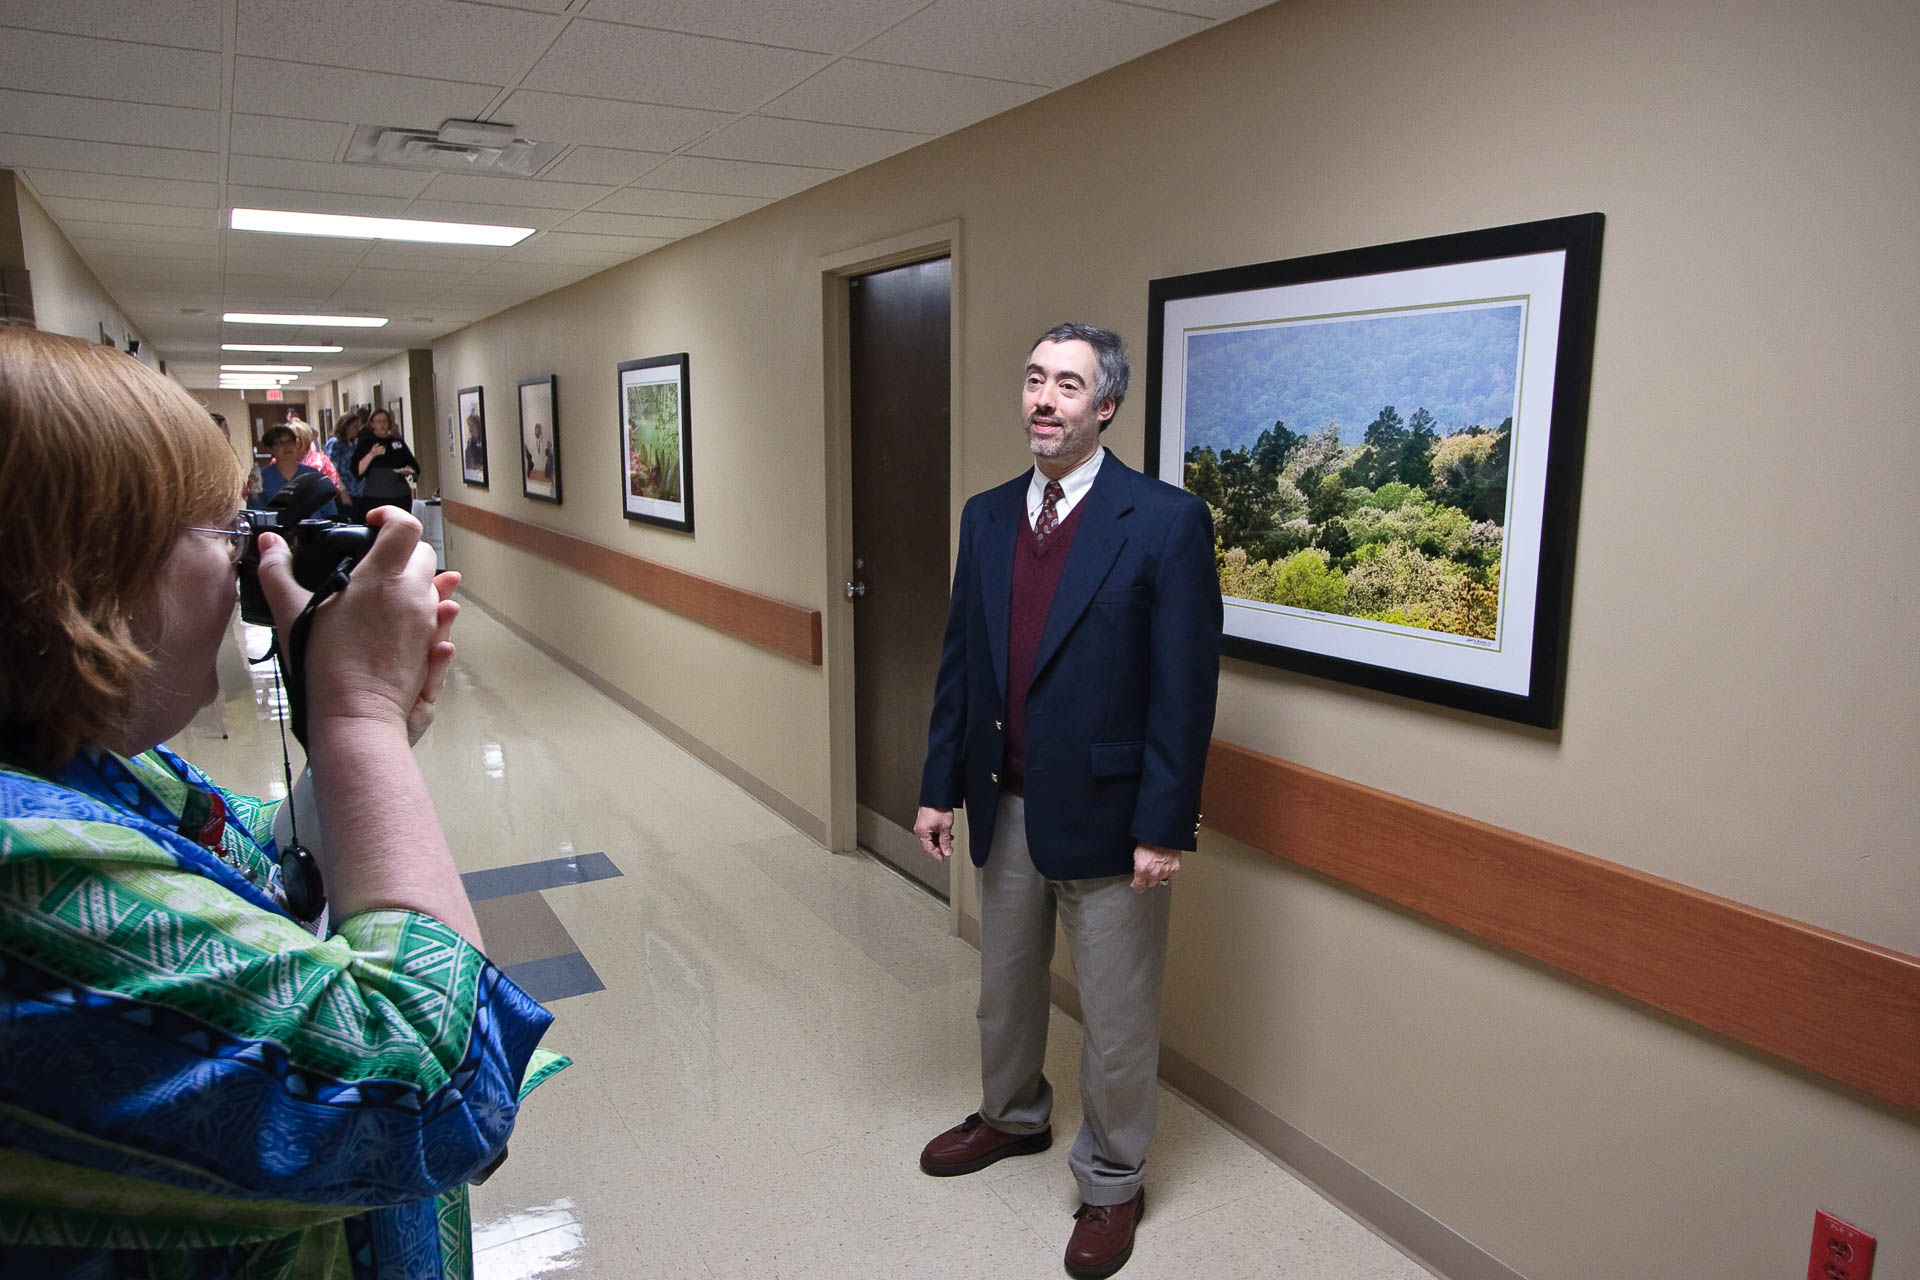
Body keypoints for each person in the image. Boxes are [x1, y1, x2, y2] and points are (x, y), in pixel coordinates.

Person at [0, 326, 563, 1277]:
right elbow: (433, 1087)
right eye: (223, 533)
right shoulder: (24, 868)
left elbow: (266, 878)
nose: (242, 566)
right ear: (87, 569)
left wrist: (356, 733)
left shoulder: (86, 765)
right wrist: (357, 720)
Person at [913, 323, 1222, 1280]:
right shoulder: (989, 515)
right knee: (1004, 993)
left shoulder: (1163, 521)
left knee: (1118, 1019)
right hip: (1003, 805)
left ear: (1106, 409)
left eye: (1068, 386)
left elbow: (1185, 687)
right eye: (1035, 379)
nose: (1043, 400)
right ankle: (1011, 1118)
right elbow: (962, 668)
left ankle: (1113, 1182)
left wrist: (1164, 826)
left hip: (1113, 821)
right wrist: (936, 788)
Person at [254, 422, 336, 518]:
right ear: (270, 449)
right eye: (279, 443)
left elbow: (330, 510)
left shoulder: (312, 475)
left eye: (289, 441)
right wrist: (254, 496)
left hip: (314, 530)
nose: (286, 446)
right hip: (279, 531)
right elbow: (256, 514)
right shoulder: (262, 477)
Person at [352, 407, 419, 516]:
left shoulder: (398, 443)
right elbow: (357, 471)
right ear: (372, 424)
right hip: (374, 498)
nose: (382, 425)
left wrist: (409, 471)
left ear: (389, 423)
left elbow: (414, 467)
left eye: (385, 421)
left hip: (399, 496)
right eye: (378, 422)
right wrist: (371, 454)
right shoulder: (365, 443)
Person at [327, 409, 367, 520]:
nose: (357, 430)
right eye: (354, 427)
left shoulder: (353, 444)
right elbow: (332, 469)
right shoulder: (336, 443)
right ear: (345, 426)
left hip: (357, 491)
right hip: (344, 492)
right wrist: (342, 491)